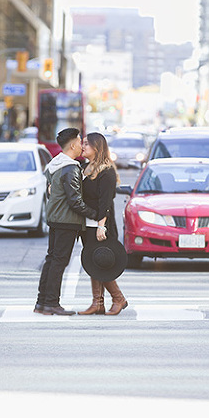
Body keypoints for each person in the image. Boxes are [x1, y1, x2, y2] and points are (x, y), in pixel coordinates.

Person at [35, 128, 100, 316]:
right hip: (67, 220)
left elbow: (50, 190)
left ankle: (42, 302)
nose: (82, 145)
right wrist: (94, 213)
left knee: (51, 259)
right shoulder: (70, 167)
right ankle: (52, 303)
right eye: (80, 142)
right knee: (59, 262)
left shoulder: (55, 164)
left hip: (55, 219)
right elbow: (75, 200)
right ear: (72, 145)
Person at [78, 132, 128, 316]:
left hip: (101, 225)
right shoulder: (84, 167)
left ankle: (118, 298)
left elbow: (105, 202)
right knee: (92, 262)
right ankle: (97, 303)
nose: (83, 147)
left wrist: (101, 225)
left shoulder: (106, 171)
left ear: (97, 147)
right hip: (87, 224)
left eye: (86, 144)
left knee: (102, 261)